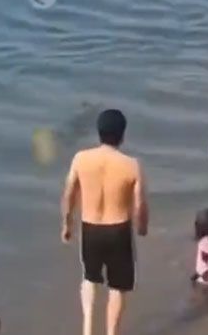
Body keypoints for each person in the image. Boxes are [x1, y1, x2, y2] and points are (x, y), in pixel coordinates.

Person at [60, 109, 148, 335]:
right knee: (117, 287)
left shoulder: (81, 158)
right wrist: (142, 226)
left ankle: (87, 329)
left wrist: (67, 223)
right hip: (118, 230)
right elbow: (139, 204)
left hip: (90, 228)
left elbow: (69, 192)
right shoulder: (131, 165)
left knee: (90, 278)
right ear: (122, 135)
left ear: (98, 133)